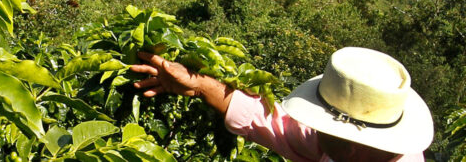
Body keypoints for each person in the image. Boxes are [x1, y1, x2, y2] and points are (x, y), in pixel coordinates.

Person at [130, 47, 432, 162]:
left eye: (320, 124)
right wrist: (200, 85)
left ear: (350, 142)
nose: (314, 129)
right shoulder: (342, 151)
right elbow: (275, 124)